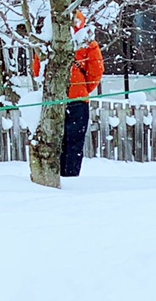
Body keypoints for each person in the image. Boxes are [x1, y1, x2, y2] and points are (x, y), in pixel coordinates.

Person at [34, 10, 104, 179]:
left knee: (51, 140)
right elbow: (96, 72)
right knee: (74, 142)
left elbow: (37, 72)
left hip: (53, 100)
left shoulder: (48, 43)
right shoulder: (88, 43)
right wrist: (83, 88)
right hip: (78, 101)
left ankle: (51, 175)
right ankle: (70, 176)